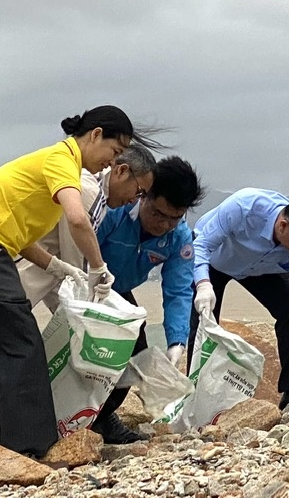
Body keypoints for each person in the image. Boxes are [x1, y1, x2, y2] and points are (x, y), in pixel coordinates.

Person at [0, 106, 150, 487]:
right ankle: (27, 453)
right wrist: (98, 268)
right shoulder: (62, 160)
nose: (109, 164)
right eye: (114, 153)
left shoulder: (56, 162)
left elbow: (21, 235)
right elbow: (77, 218)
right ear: (95, 134)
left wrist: (56, 267)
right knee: (22, 346)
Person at [0, 145, 157, 310]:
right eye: (138, 192)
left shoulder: (83, 180)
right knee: (15, 344)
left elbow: (66, 271)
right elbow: (75, 266)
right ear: (121, 171)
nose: (134, 201)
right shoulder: (89, 192)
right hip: (3, 265)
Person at [91, 156, 206, 444]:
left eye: (174, 218)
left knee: (137, 352)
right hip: (89, 282)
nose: (164, 224)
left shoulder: (178, 237)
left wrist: (177, 343)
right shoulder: (115, 212)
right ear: (144, 195)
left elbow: (178, 290)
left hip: (120, 291)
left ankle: (101, 419)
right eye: (158, 213)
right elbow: (81, 252)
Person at [190, 189, 289, 405]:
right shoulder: (243, 208)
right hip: (214, 259)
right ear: (283, 225)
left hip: (260, 270)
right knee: (203, 319)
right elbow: (202, 245)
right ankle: (195, 392)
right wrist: (202, 284)